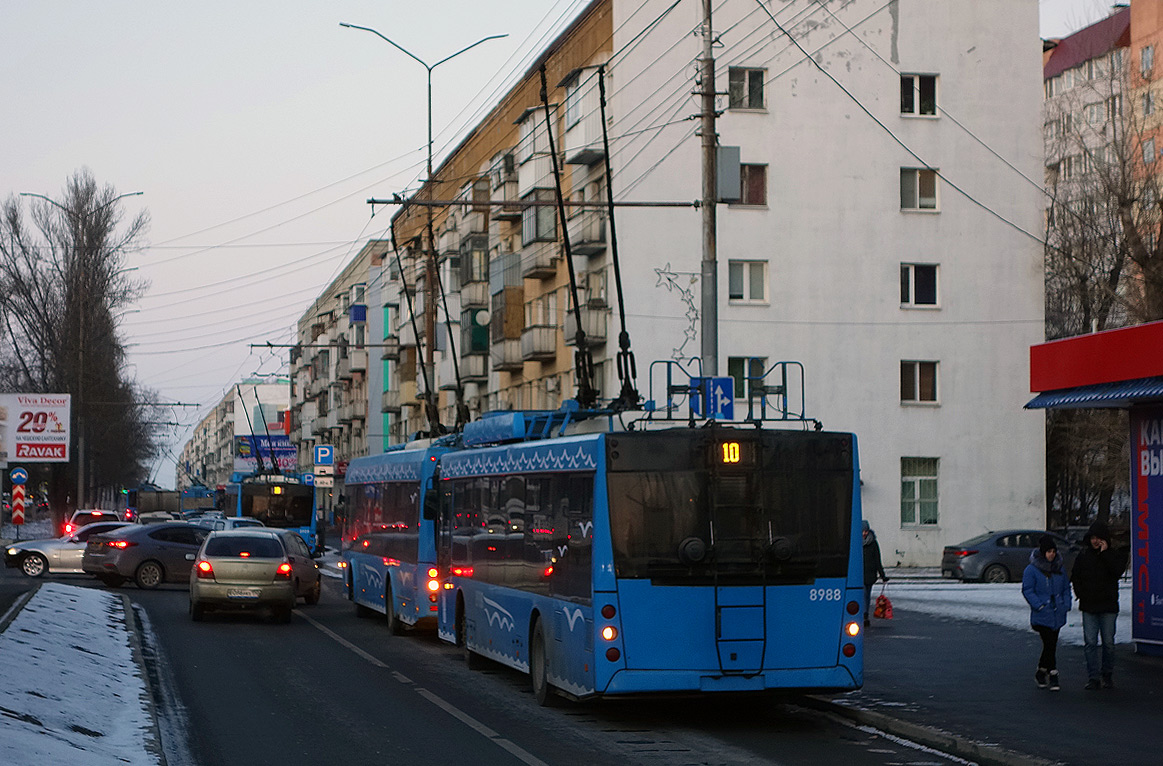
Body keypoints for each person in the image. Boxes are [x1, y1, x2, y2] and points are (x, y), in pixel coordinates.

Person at [1070, 521, 1127, 690]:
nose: (1095, 541)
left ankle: (1107, 674)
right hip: (1089, 605)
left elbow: (1117, 572)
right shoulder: (1083, 555)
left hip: (1108, 605)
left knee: (1108, 642)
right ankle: (1093, 677)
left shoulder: (1113, 554)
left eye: (1098, 538)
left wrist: (1105, 554)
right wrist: (1080, 594)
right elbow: (1075, 576)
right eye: (1093, 538)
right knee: (1090, 642)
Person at [1022, 535, 1071, 691]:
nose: (1052, 554)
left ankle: (1041, 671)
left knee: (1051, 644)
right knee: (1049, 643)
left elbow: (1065, 588)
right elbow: (1028, 590)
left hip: (1057, 612)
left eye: (1053, 551)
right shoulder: (1032, 570)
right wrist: (1039, 605)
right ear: (1043, 553)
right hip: (1042, 614)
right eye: (1049, 551)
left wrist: (1065, 604)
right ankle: (1053, 673)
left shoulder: (1059, 569)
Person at [862, 520, 888, 627]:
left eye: (866, 531)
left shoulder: (873, 543)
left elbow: (877, 560)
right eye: (863, 531)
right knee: (863, 595)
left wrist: (882, 575)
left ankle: (865, 614)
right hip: (859, 575)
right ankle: (863, 615)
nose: (864, 533)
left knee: (866, 595)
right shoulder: (854, 543)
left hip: (870, 574)